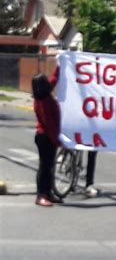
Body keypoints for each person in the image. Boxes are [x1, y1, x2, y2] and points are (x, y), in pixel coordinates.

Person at [32, 72, 63, 206]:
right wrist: (57, 141)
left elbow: (54, 78)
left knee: (50, 166)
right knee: (44, 166)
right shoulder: (42, 101)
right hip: (45, 136)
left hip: (48, 136)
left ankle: (48, 193)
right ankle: (41, 195)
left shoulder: (45, 94)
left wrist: (61, 64)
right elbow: (48, 124)